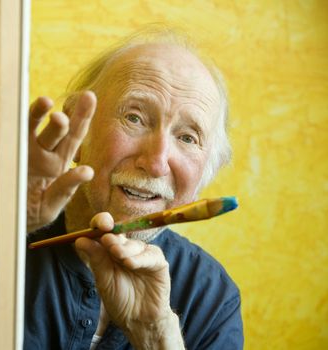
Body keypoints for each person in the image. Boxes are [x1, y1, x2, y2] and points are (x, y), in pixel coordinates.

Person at [24, 30, 243, 350]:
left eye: (187, 138)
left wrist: (156, 334)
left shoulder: (212, 297)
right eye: (135, 117)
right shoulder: (3, 234)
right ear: (77, 128)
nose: (156, 163)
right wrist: (7, 228)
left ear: (205, 173)